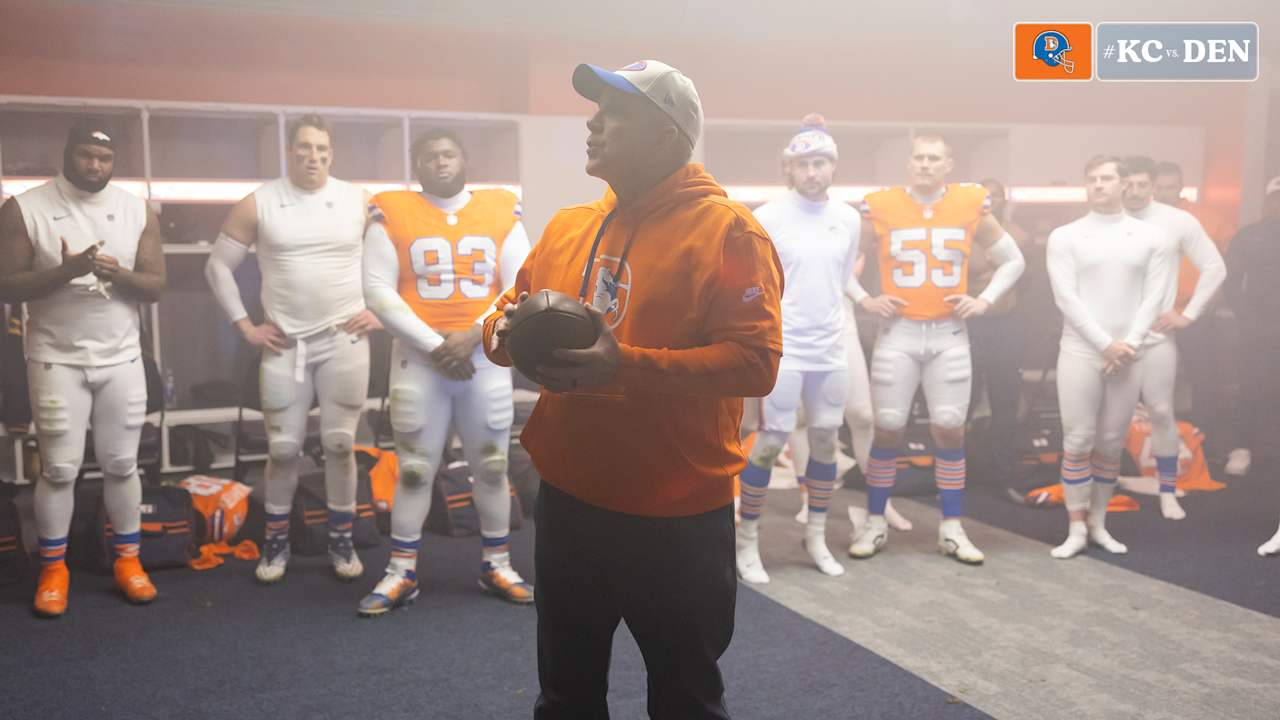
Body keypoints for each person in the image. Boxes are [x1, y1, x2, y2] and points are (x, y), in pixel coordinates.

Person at [485, 60, 782, 718]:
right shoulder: (567, 224)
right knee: (565, 694)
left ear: (667, 136)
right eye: (595, 111)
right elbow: (506, 311)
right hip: (568, 495)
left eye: (615, 113)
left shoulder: (728, 230)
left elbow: (755, 363)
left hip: (674, 509)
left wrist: (626, 367)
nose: (592, 124)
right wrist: (502, 334)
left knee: (684, 698)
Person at [357, 128, 533, 616]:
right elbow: (377, 291)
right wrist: (438, 344)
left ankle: (497, 563)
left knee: (493, 467)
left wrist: (472, 336)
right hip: (421, 358)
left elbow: (520, 280)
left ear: (464, 158)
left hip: (485, 356)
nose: (440, 161)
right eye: (430, 155)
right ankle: (401, 572)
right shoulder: (390, 208)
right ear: (416, 164)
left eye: (449, 152)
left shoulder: (500, 206)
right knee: (414, 469)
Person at [0, 119, 166, 616]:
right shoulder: (25, 207)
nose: (95, 166)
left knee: (121, 464)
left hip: (121, 358)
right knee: (59, 469)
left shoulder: (136, 210)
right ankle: (55, 569)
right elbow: (7, 286)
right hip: (55, 357)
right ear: (67, 153)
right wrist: (66, 272)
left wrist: (120, 274)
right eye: (86, 156)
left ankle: (128, 561)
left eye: (105, 158)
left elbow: (156, 286)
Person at [205, 113, 380, 585]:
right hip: (285, 344)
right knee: (283, 449)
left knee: (341, 444)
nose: (313, 157)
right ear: (290, 150)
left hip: (344, 339)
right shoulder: (259, 203)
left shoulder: (359, 201)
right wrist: (245, 326)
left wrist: (379, 311)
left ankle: (341, 539)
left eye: (322, 149)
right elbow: (217, 267)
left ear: (332, 152)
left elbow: (394, 258)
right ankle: (276, 543)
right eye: (304, 148)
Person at [845, 135, 1025, 565]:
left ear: (949, 165)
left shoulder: (970, 203)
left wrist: (984, 300)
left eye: (934, 158)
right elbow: (837, 259)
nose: (925, 165)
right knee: (888, 427)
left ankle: (951, 526)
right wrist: (863, 298)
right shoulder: (881, 205)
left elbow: (1014, 260)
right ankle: (875, 520)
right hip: (899, 332)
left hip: (948, 333)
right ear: (909, 163)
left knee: (949, 427)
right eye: (918, 157)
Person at [736, 114, 862, 582]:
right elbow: (751, 284)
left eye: (821, 163)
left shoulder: (848, 218)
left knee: (827, 439)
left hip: (831, 347)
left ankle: (816, 536)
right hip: (783, 350)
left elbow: (841, 277)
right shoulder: (766, 216)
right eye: (804, 164)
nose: (813, 172)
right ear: (789, 169)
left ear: (833, 166)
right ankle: (747, 540)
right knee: (769, 444)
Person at [1045, 156, 1169, 559]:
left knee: (1112, 444)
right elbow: (1066, 298)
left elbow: (1155, 297)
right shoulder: (1065, 236)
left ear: (1125, 185)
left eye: (1107, 178)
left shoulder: (1150, 237)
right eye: (1092, 179)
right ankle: (1076, 527)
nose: (1098, 185)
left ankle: (1099, 523)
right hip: (1081, 351)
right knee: (1078, 441)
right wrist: (1106, 344)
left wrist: (1127, 345)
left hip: (1129, 354)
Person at [1121, 155, 1226, 520]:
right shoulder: (1103, 220)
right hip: (1111, 337)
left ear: (1154, 185)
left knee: (1162, 411)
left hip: (1156, 336)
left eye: (1142, 184)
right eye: (1128, 184)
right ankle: (1096, 492)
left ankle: (1167, 492)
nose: (1134, 191)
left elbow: (1215, 267)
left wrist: (1188, 314)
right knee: (1106, 418)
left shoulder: (1177, 221)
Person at [1154, 161, 1236, 461]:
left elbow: (1229, 264)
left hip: (1194, 315)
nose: (1165, 192)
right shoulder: (1142, 219)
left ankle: (1207, 447)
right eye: (1159, 187)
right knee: (1148, 382)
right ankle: (1143, 447)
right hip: (1153, 317)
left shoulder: (1208, 219)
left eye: (1171, 186)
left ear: (1181, 187)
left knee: (1204, 380)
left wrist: (1212, 299)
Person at [1221, 177, 1280, 553]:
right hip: (1257, 331)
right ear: (1269, 200)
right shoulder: (1250, 235)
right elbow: (1230, 279)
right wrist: (1243, 316)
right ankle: (1242, 447)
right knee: (1253, 390)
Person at [967, 178, 1029, 490]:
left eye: (997, 196)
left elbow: (1016, 273)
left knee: (1006, 402)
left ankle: (1004, 475)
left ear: (1005, 200)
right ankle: (956, 477)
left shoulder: (1017, 235)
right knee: (964, 401)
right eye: (986, 196)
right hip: (970, 325)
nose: (992, 201)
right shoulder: (962, 236)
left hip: (1006, 324)